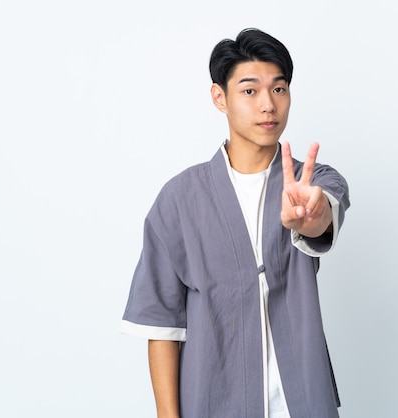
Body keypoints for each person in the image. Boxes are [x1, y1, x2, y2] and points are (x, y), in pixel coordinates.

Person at [121, 28, 350, 418]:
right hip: (213, 402)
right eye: (250, 90)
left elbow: (320, 217)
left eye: (279, 89)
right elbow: (162, 326)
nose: (268, 105)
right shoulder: (178, 201)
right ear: (219, 97)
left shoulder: (315, 181)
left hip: (302, 403)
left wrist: (311, 216)